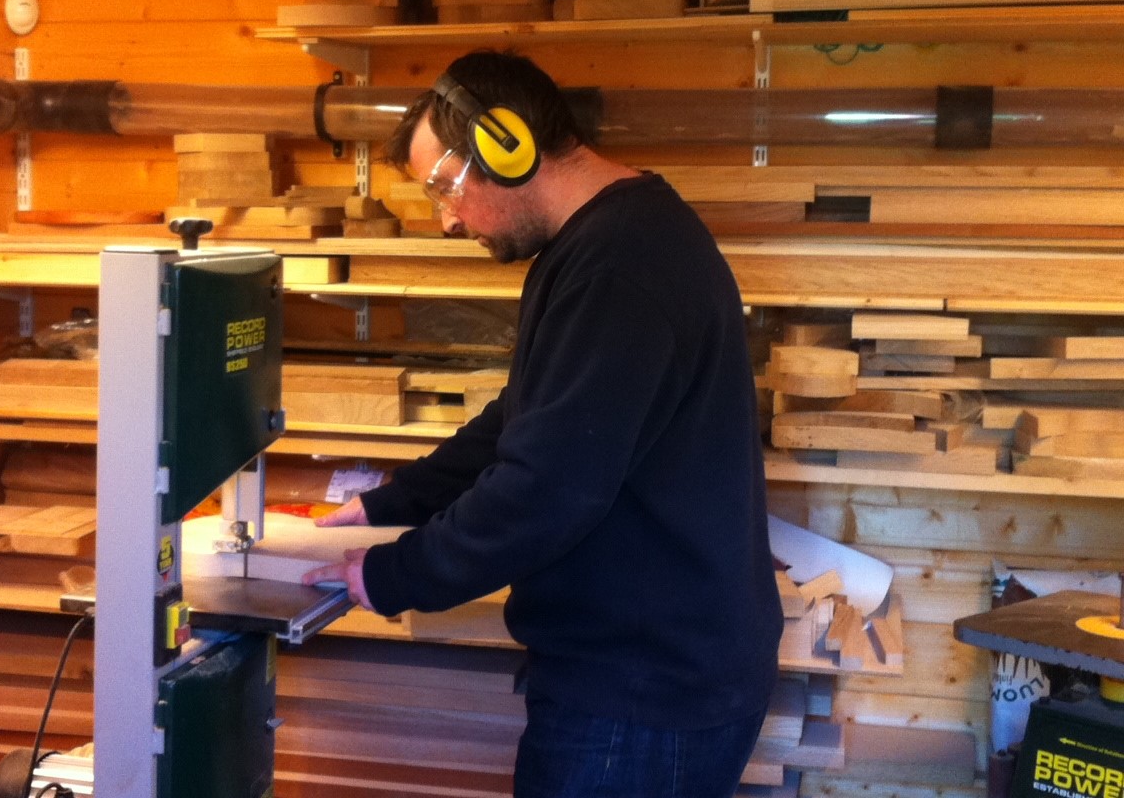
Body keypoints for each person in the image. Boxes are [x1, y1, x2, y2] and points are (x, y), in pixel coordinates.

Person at [302, 49, 783, 798]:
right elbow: (525, 416)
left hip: (643, 695)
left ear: (507, 147)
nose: (447, 219)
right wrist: (391, 504)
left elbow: (546, 491)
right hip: (645, 674)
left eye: (443, 188)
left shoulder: (619, 266)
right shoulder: (604, 240)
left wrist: (394, 573)